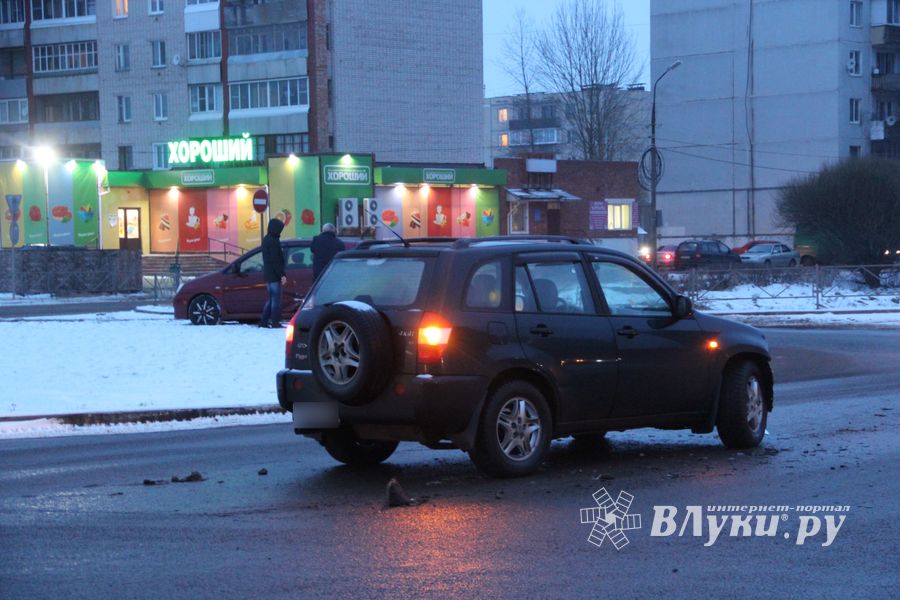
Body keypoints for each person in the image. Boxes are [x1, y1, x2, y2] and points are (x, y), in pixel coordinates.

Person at [259, 218, 286, 328]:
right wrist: (282, 274)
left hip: (268, 274)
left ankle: (264, 320)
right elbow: (276, 260)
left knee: (270, 299)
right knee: (275, 300)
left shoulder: (266, 239)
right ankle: (275, 322)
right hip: (274, 275)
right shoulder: (274, 241)